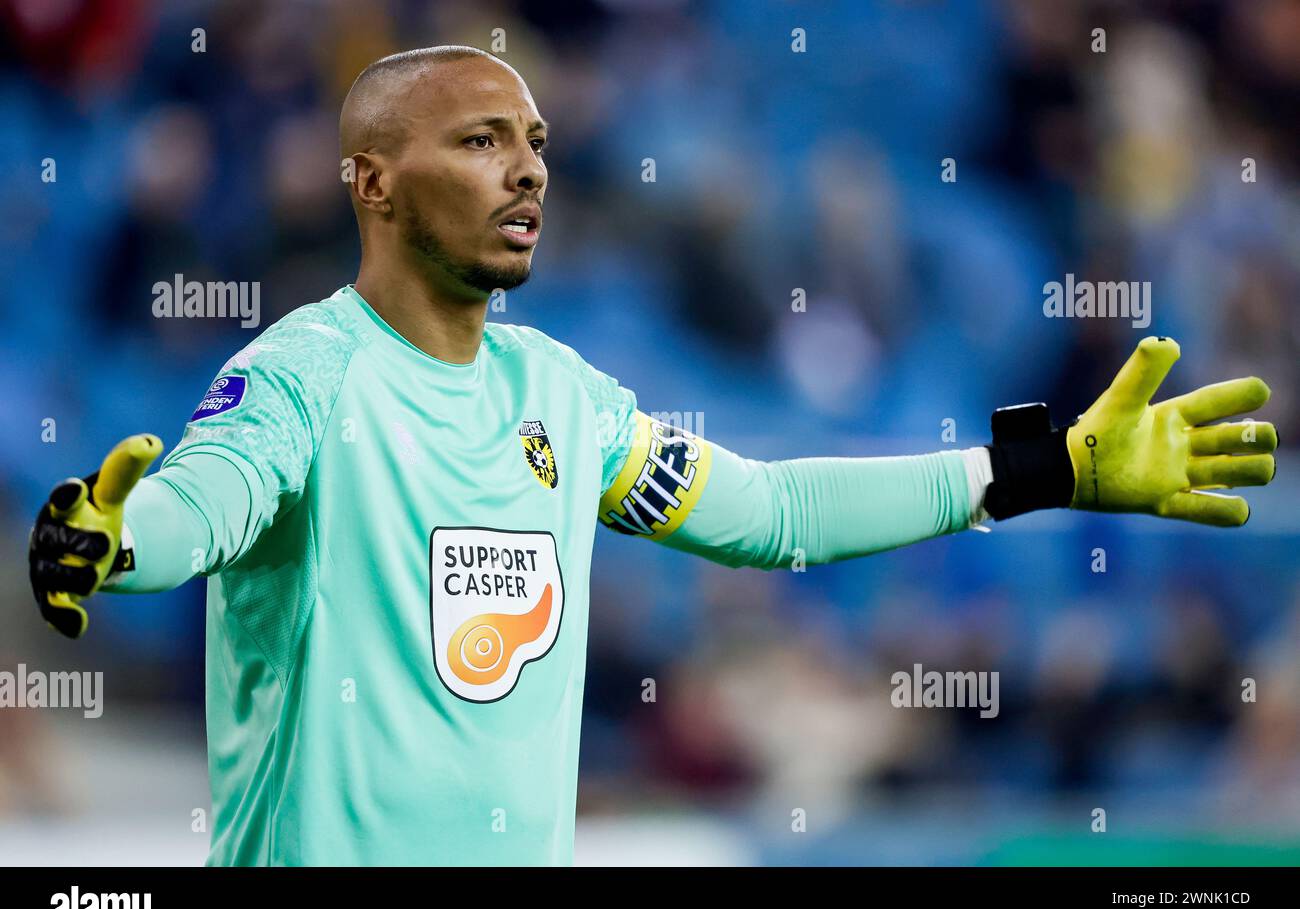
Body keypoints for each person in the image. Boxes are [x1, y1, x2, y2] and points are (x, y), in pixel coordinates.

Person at [26, 46, 1278, 865]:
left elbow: (774, 508)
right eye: (475, 141)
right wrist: (119, 541)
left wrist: (1043, 465)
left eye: (532, 140)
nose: (524, 168)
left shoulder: (562, 400)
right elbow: (211, 493)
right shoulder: (304, 373)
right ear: (371, 184)